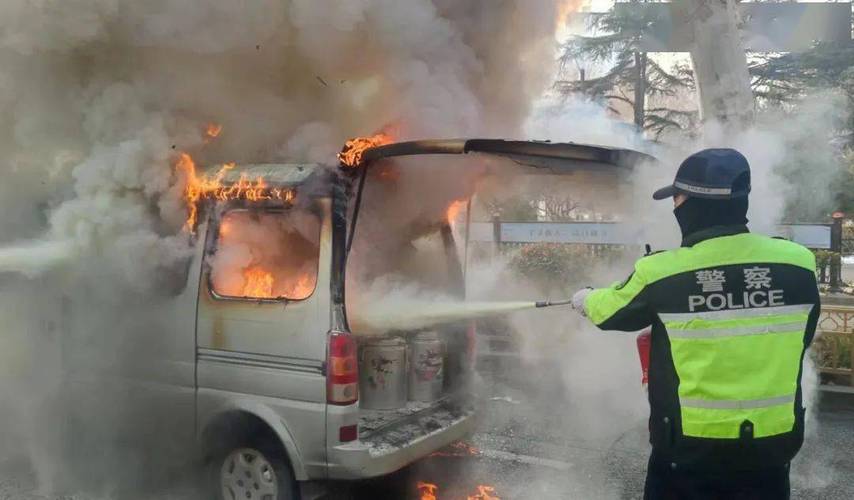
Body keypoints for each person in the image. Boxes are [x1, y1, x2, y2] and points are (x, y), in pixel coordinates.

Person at [571, 148, 820, 500]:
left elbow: (610, 312)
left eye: (677, 198)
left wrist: (584, 299)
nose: (675, 206)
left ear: (691, 203)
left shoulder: (663, 271)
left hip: (689, 453)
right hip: (772, 449)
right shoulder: (798, 262)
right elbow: (802, 338)